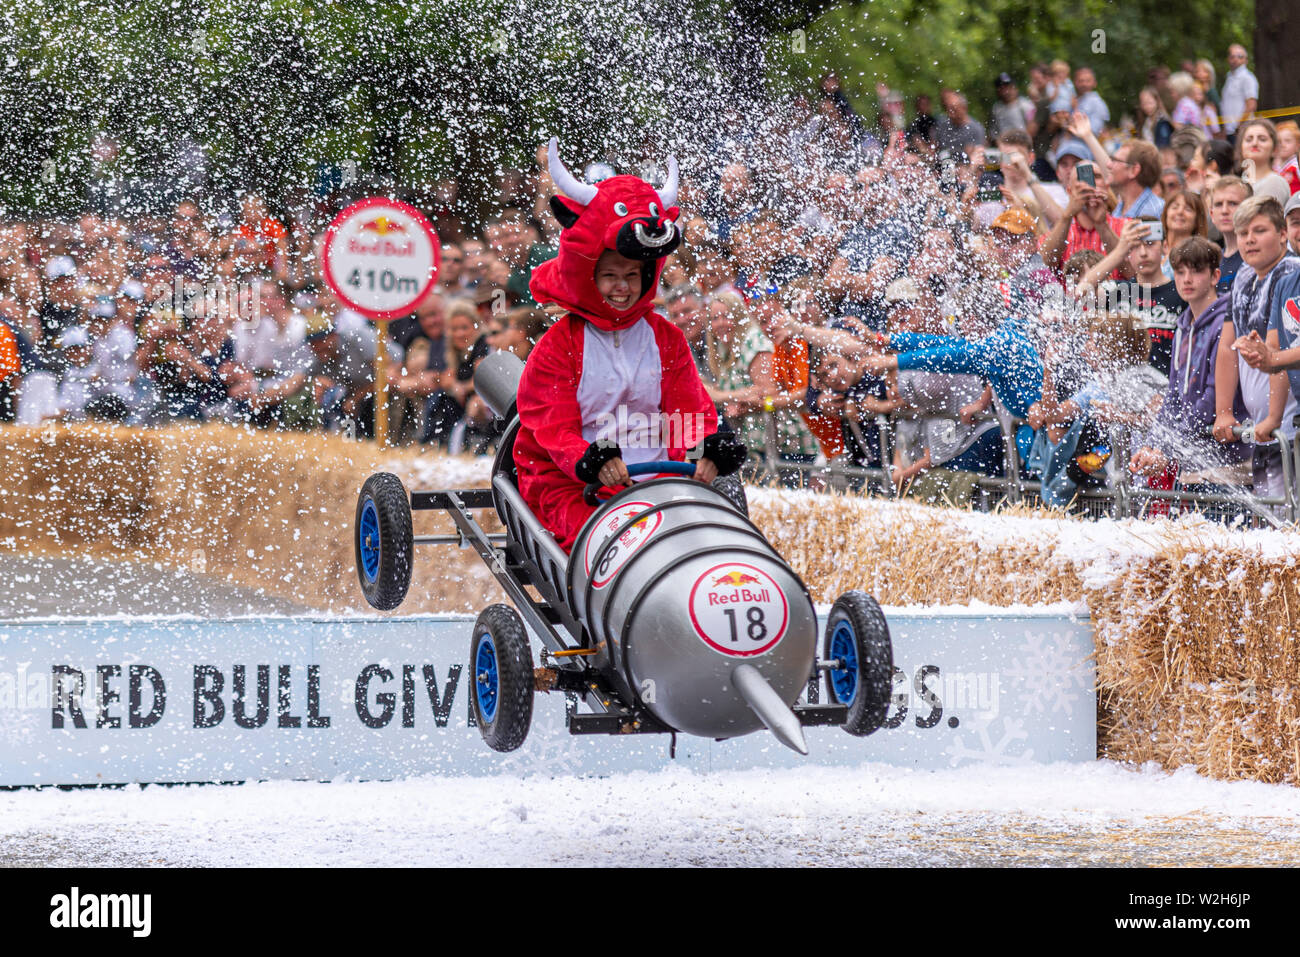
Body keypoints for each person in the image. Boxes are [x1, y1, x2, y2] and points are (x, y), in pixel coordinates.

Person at [513, 140, 744, 551]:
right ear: (588, 275)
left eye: (632, 276)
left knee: (702, 541)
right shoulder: (558, 345)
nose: (622, 288)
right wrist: (592, 462)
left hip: (660, 478)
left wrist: (701, 454)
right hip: (574, 484)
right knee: (616, 546)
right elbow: (554, 429)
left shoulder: (665, 337)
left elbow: (687, 410)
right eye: (610, 276)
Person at [1130, 237, 1243, 490]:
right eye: (1180, 272)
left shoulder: (1226, 320)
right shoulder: (1182, 325)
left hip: (1226, 455)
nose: (1187, 279)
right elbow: (1173, 394)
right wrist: (1151, 444)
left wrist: (1168, 447)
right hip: (1192, 453)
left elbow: (1213, 395)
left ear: (1215, 276)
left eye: (1196, 271)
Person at [1211, 197, 1299, 502]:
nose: (1248, 239)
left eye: (1259, 230)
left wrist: (1274, 418)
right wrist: (1222, 411)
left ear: (1282, 234)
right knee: (1272, 518)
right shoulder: (1244, 276)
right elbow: (1227, 347)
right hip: (1263, 424)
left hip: (1287, 421)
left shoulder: (1290, 271)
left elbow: (1277, 349)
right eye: (1242, 232)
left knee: (1286, 519)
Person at [1206, 176, 1251, 292]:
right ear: (1212, 214)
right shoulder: (1211, 261)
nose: (1224, 211)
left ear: (1249, 209)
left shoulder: (1255, 256)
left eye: (1232, 203)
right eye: (1218, 204)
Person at [1219, 44, 1259, 140]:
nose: (1236, 59)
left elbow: (1251, 105)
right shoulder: (1229, 78)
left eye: (1240, 56)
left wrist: (1239, 126)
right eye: (1232, 56)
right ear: (1228, 59)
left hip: (1241, 131)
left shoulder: (1248, 78)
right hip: (1229, 131)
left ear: (1246, 60)